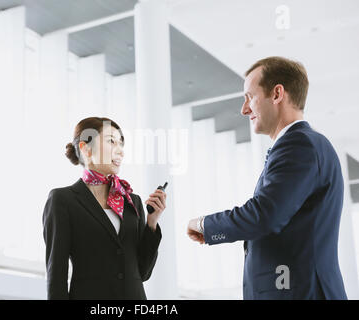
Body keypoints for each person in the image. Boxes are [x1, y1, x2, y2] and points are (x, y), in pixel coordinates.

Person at [187, 56, 347, 300]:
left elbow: (264, 215)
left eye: (250, 97)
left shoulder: (298, 145)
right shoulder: (304, 145)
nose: (244, 109)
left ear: (277, 94)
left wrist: (205, 225)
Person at [42, 117, 166, 299]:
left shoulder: (132, 201)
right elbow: (56, 276)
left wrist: (152, 223)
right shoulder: (62, 200)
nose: (120, 151)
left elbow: (143, 272)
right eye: (111, 141)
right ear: (86, 149)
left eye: (121, 144)